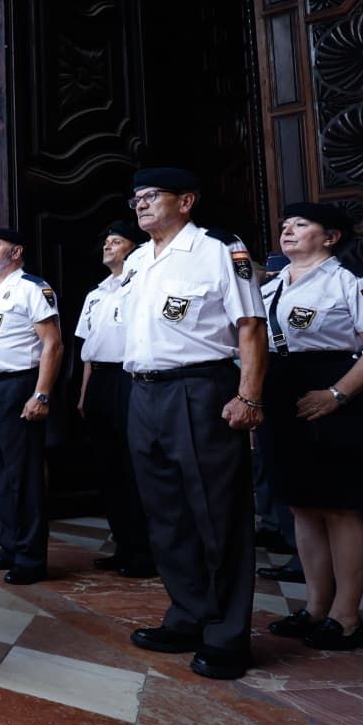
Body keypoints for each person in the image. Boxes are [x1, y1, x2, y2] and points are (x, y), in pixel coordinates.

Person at [118, 167, 265, 681]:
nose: (141, 204)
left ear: (186, 201)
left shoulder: (219, 249)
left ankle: (228, 634)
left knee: (217, 513)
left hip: (200, 389)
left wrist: (249, 395)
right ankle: (188, 613)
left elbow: (250, 326)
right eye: (136, 198)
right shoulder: (137, 260)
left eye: (152, 196)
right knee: (165, 514)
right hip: (143, 391)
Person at [259, 203, 363, 650]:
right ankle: (315, 608)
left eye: (301, 224)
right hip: (283, 393)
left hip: (333, 390)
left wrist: (337, 394)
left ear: (331, 236)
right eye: (285, 225)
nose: (288, 231)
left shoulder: (351, 281)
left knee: (341, 507)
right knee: (302, 505)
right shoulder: (271, 285)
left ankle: (347, 618)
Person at [0, 228, 62, 585]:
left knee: (23, 475)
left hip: (15, 388)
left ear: (16, 252)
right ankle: (9, 545)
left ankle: (31, 558)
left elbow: (52, 344)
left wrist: (42, 394)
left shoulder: (31, 288)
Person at [75, 220, 155, 578]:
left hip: (129, 377)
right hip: (100, 381)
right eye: (106, 241)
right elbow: (88, 350)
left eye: (116, 241)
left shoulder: (141, 286)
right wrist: (84, 393)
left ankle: (145, 552)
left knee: (134, 466)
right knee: (108, 469)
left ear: (134, 248)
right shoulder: (96, 293)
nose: (108, 246)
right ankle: (124, 545)